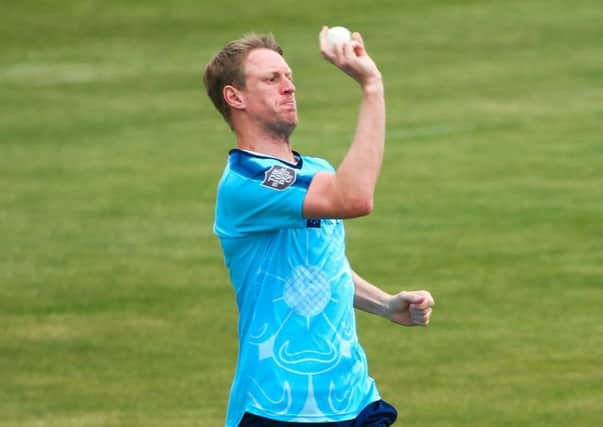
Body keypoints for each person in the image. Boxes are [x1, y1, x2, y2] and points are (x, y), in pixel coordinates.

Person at [203, 27, 435, 427]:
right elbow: (355, 199)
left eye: (289, 77)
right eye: (272, 79)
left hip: (354, 397)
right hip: (280, 407)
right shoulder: (245, 183)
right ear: (235, 96)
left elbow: (322, 264)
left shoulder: (315, 171)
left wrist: (384, 304)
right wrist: (371, 86)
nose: (289, 88)